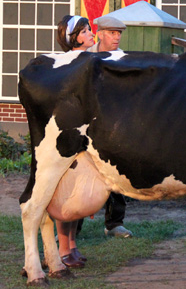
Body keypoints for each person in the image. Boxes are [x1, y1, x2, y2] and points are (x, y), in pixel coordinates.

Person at [87, 15, 133, 238]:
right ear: (101, 34)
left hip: (113, 122)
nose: (116, 38)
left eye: (119, 34)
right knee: (81, 172)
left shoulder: (121, 59)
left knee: (115, 170)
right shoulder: (85, 56)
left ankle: (114, 223)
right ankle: (70, 228)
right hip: (86, 123)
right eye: (112, 33)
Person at [55, 15, 96, 268]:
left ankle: (72, 244)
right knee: (64, 193)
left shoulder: (90, 59)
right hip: (68, 131)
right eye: (85, 31)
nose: (91, 33)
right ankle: (62, 248)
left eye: (89, 29)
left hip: (85, 132)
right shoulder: (66, 62)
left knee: (77, 193)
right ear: (74, 38)